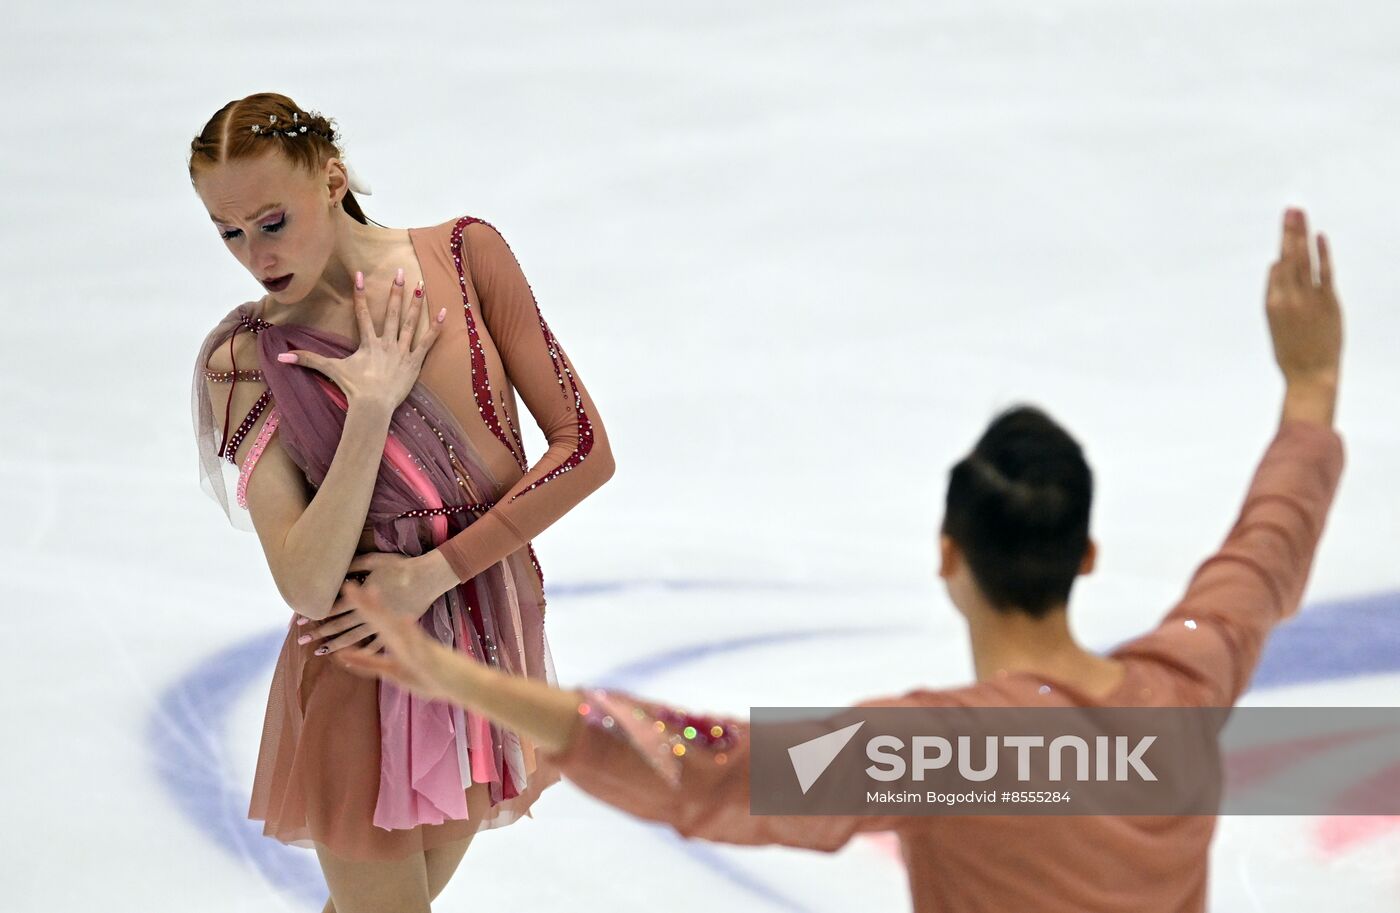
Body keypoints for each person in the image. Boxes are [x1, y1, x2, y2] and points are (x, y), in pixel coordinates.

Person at [332, 208, 1344, 912]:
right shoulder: (1182, 685)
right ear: (1084, 554)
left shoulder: (947, 753)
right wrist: (1309, 384)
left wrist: (463, 680)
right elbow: (1262, 553)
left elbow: (702, 765)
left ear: (948, 554)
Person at [188, 92, 615, 913]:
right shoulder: (246, 360)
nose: (254, 254)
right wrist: (371, 407)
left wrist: (437, 573)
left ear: (332, 178)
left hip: (478, 641)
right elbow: (308, 584)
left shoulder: (464, 256)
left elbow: (584, 449)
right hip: (360, 657)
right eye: (229, 232)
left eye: (272, 221)